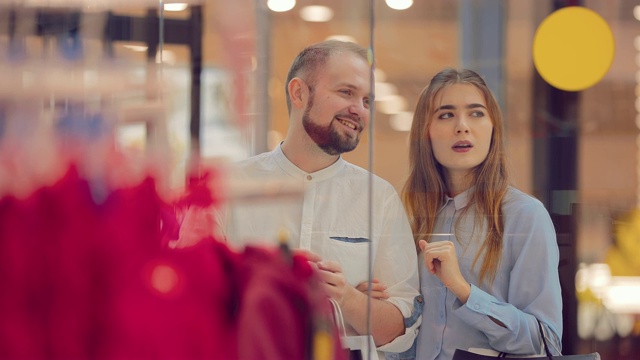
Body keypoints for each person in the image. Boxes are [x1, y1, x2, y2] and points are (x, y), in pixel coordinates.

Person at [220, 40, 421, 357]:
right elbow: (192, 301)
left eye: (367, 100)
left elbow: (402, 331)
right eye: (346, 92)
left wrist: (347, 299)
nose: (360, 109)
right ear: (299, 93)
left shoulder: (379, 198)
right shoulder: (229, 187)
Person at [403, 68, 563, 359]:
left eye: (476, 113)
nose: (462, 126)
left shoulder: (524, 217)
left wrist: (464, 290)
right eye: (446, 115)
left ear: (493, 128)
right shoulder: (414, 219)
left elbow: (546, 342)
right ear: (425, 132)